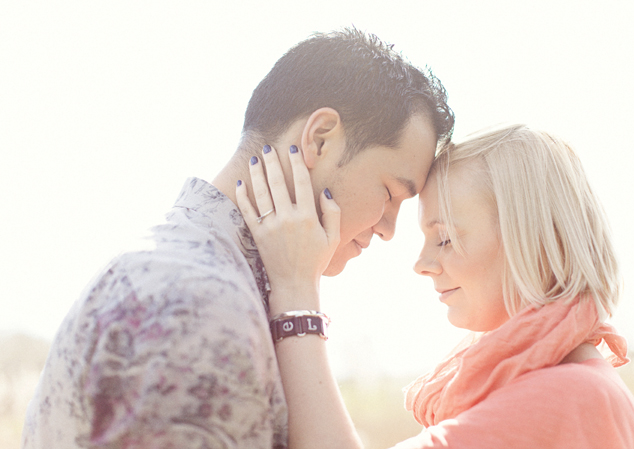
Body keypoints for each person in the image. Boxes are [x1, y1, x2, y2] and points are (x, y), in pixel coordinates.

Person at [21, 28, 454, 449]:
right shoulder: (197, 307)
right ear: (320, 140)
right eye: (391, 193)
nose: (389, 230)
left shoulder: (197, 272)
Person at [236, 124, 634, 448]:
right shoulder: (581, 384)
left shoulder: (570, 397)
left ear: (538, 241)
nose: (422, 264)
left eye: (445, 238)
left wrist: (296, 292)